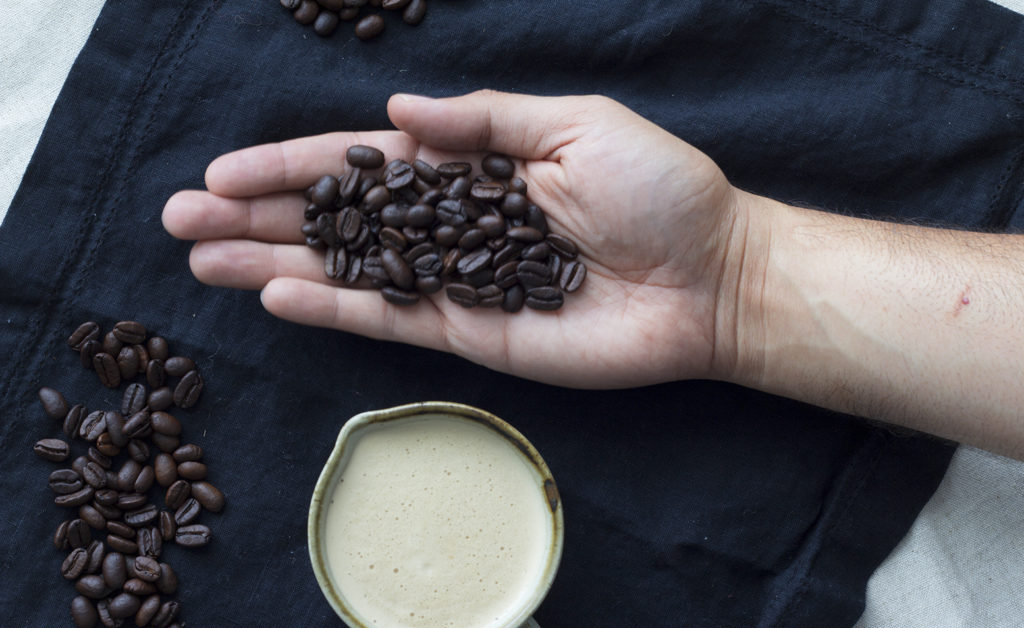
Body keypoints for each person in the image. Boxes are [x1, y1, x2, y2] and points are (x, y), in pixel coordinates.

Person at [162, 90, 1024, 460]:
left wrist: (733, 262)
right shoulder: (460, 227)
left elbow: (448, 245)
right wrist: (734, 268)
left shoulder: (493, 236)